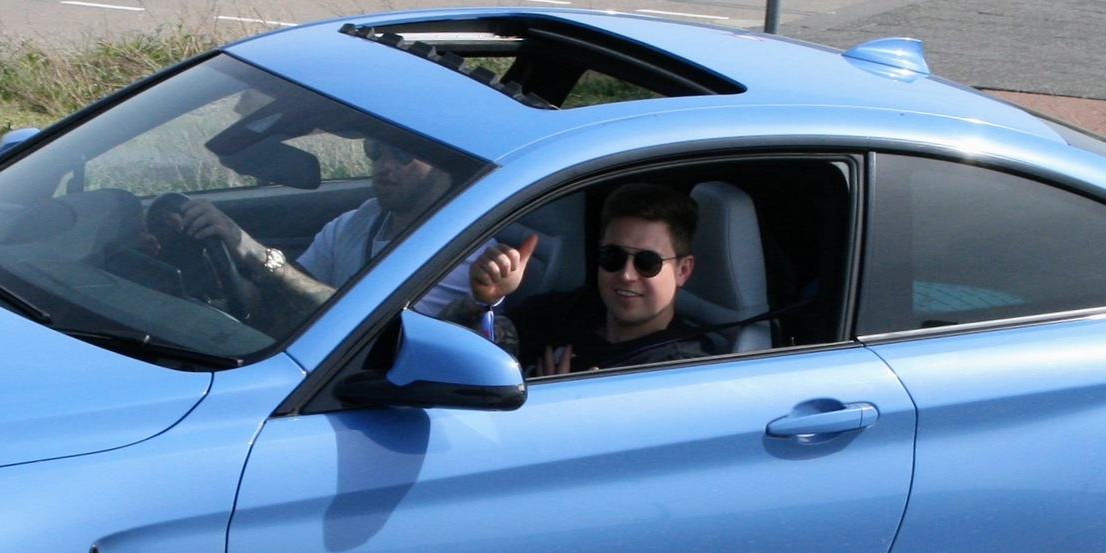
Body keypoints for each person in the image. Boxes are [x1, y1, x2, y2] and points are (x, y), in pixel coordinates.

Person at [160, 134, 488, 328]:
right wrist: (208, 266)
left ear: (445, 161)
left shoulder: (464, 252)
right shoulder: (361, 219)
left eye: (402, 154)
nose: (384, 166)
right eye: (375, 150)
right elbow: (282, 301)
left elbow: (367, 327)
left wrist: (249, 249)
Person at [473, 183, 712, 374]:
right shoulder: (571, 309)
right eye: (612, 256)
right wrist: (486, 299)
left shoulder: (680, 368)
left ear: (683, 270)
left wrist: (561, 404)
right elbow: (475, 354)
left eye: (647, 262)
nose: (627, 275)